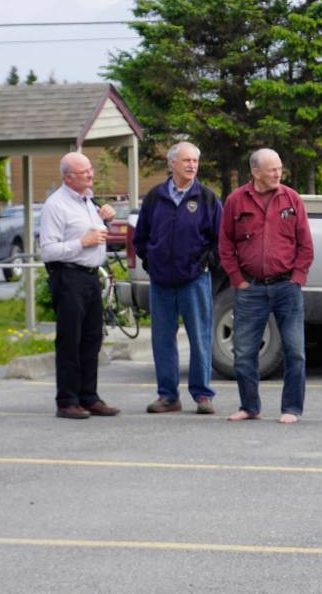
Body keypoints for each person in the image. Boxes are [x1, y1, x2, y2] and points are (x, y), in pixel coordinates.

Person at [219, 148, 314, 424]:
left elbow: (305, 245)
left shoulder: (292, 199)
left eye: (279, 168)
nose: (277, 173)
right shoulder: (236, 201)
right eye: (271, 169)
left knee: (295, 351)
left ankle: (292, 408)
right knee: (244, 352)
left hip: (287, 287)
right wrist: (238, 280)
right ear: (255, 172)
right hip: (251, 289)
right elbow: (225, 245)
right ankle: (249, 406)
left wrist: (297, 278)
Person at [133, 142, 223, 415]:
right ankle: (168, 396)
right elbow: (141, 238)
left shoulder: (207, 197)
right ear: (172, 163)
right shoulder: (154, 197)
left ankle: (202, 394)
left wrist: (206, 262)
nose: (192, 165)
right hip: (161, 282)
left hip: (194, 280)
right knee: (162, 339)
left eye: (195, 160)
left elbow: (220, 240)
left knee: (200, 337)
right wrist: (152, 261)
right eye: (186, 160)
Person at [39, 152, 120, 420]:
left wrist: (105, 220)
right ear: (68, 177)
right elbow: (48, 251)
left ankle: (89, 396)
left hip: (90, 276)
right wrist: (81, 243)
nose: (90, 174)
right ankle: (67, 400)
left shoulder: (88, 201)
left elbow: (95, 235)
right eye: (83, 171)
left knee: (91, 339)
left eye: (90, 169)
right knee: (70, 340)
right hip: (68, 277)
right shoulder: (56, 205)